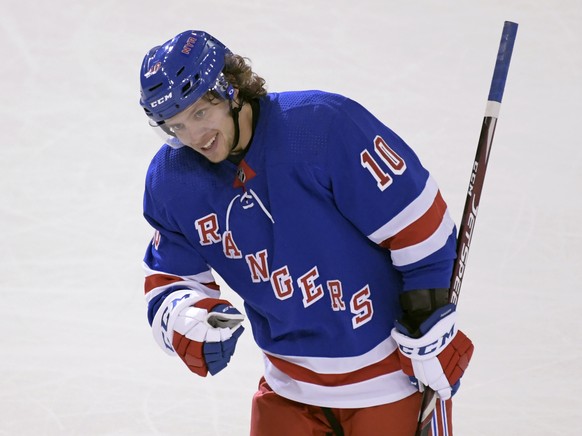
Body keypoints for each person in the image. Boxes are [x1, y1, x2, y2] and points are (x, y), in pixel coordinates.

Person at [138, 30, 474, 436]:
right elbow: (171, 279)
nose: (194, 138)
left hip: (391, 385)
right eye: (175, 126)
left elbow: (420, 224)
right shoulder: (173, 179)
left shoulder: (321, 127)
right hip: (287, 390)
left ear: (230, 88)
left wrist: (430, 319)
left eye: (198, 114)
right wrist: (186, 317)